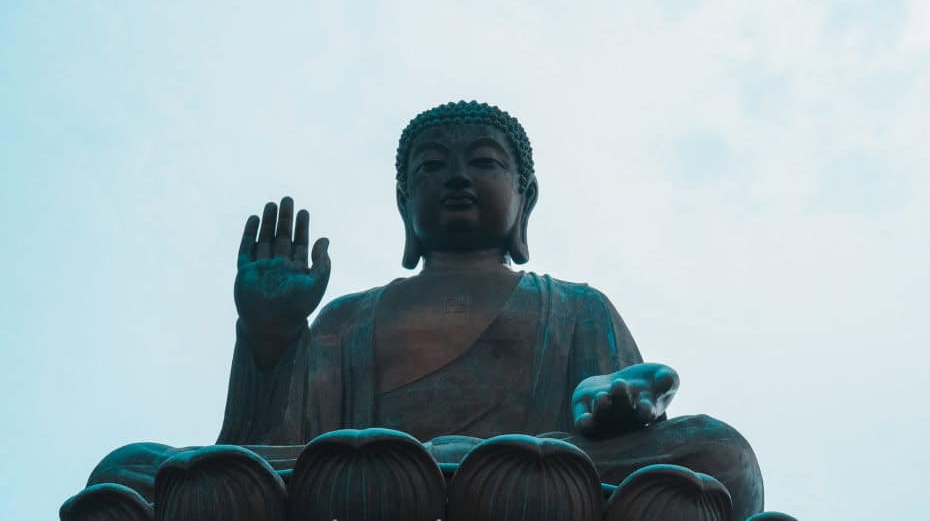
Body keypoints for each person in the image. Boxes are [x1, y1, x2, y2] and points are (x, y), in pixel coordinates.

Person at [88, 101, 763, 519]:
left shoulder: (575, 307)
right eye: (432, 167)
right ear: (405, 206)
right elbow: (256, 452)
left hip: (535, 477)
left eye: (484, 163)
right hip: (364, 480)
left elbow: (613, 414)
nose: (458, 177)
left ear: (525, 201)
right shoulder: (347, 319)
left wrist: (621, 398)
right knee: (130, 469)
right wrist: (270, 336)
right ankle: (451, 470)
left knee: (723, 455)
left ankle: (466, 468)